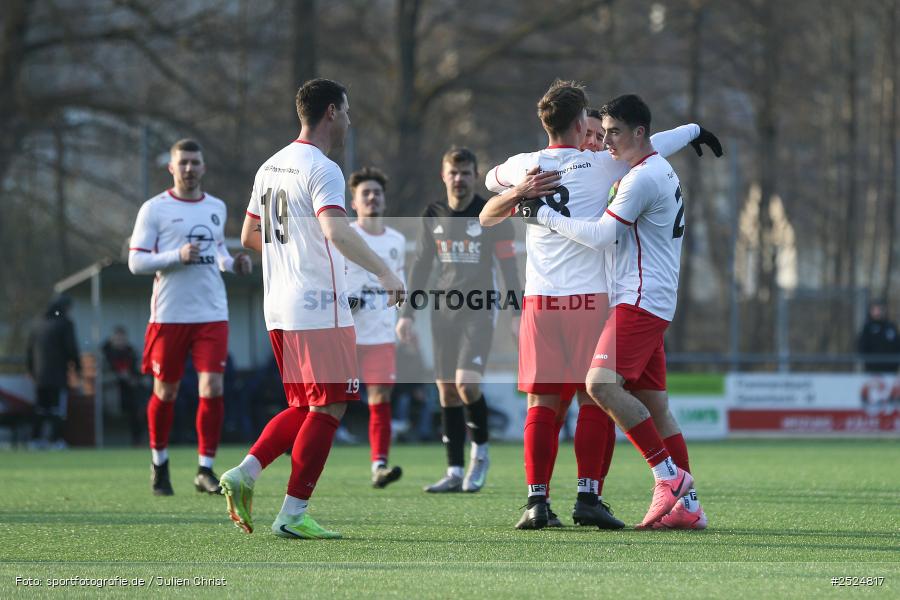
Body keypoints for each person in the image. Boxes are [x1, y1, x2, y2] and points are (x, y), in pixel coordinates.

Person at [481, 81, 720, 529]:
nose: (603, 139)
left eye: (608, 132)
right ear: (579, 125)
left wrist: (520, 195)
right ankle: (593, 496)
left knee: (543, 403)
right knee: (602, 401)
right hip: (596, 299)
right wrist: (690, 130)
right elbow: (649, 145)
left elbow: (487, 194)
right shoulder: (602, 166)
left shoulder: (524, 166)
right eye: (595, 130)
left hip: (541, 299)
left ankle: (537, 502)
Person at [219, 78, 405, 540]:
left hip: (278, 307)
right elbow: (337, 232)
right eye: (347, 111)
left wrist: (291, 253)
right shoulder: (322, 168)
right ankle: (292, 513)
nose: (349, 120)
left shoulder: (270, 167)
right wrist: (385, 272)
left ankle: (246, 471)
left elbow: (247, 236)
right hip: (319, 307)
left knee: (307, 405)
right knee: (332, 406)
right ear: (330, 113)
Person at [128, 138, 253, 496]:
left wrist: (235, 263)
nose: (189, 169)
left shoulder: (216, 207)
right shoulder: (154, 209)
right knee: (165, 392)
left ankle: (205, 468)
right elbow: (136, 261)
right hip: (169, 315)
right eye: (182, 163)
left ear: (203, 167)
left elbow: (216, 252)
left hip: (211, 312)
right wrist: (174, 256)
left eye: (195, 163)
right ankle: (160, 462)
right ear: (171, 167)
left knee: (212, 387)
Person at [395, 148, 522, 493]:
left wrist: (516, 313)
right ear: (443, 174)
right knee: (447, 392)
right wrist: (407, 314)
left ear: (474, 175)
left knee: (467, 385)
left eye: (466, 173)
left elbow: (509, 267)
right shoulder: (433, 214)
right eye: (453, 172)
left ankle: (480, 456)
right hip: (442, 313)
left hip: (479, 311)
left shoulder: (489, 213)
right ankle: (453, 470)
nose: (459, 179)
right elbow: (421, 266)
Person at [345, 166, 406, 488]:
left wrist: (403, 317)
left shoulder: (396, 240)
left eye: (377, 192)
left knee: (381, 398)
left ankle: (379, 465)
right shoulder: (344, 236)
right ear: (354, 202)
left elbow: (401, 283)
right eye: (365, 193)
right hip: (346, 334)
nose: (372, 197)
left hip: (381, 336)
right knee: (328, 401)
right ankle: (299, 450)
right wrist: (344, 300)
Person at [26, 295, 81, 449]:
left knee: (40, 409)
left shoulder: (38, 324)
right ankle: (55, 440)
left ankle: (35, 440)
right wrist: (78, 368)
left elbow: (29, 351)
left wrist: (31, 370)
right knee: (58, 410)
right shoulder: (64, 324)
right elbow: (71, 348)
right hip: (58, 377)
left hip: (39, 377)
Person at [102, 325, 142, 446]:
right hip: (112, 393)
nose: (120, 341)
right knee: (134, 403)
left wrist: (132, 379)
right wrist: (119, 376)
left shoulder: (132, 353)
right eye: (117, 339)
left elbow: (140, 374)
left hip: (132, 392)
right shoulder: (105, 355)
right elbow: (101, 378)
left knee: (138, 404)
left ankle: (137, 441)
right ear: (113, 339)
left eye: (122, 339)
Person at [857, 300, 900, 373]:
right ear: (871, 311)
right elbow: (862, 346)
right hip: (872, 370)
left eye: (881, 309)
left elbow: (897, 345)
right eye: (876, 309)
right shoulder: (867, 327)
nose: (879, 311)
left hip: (891, 369)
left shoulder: (891, 327)